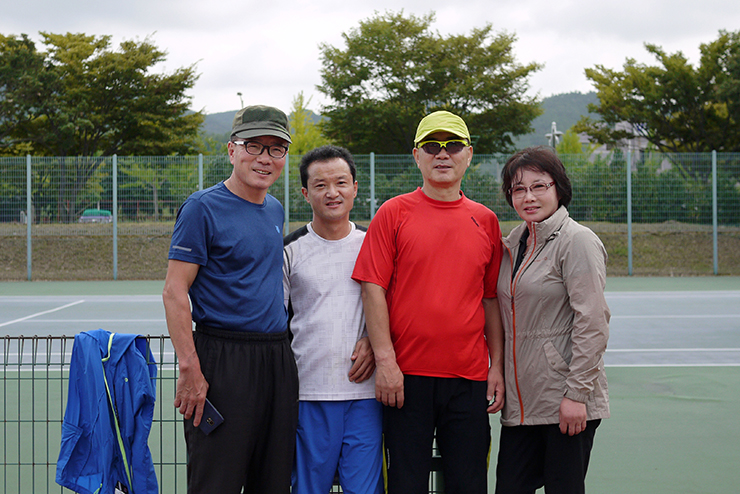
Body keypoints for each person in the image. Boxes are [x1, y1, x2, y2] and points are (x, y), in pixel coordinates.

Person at [351, 110, 505, 494]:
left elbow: (490, 300)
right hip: (405, 378)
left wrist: (497, 366)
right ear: (416, 156)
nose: (443, 154)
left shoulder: (486, 220)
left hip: (469, 380)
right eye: (432, 146)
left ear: (469, 154)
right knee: (406, 484)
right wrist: (386, 361)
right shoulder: (393, 213)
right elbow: (372, 288)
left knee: (468, 484)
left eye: (453, 145)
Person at [162, 105, 299, 494]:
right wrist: (189, 367)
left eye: (276, 149)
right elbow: (174, 291)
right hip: (223, 360)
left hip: (276, 358)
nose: (265, 158)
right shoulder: (201, 208)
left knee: (273, 481)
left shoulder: (275, 209)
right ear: (232, 150)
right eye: (254, 146)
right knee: (216, 481)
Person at [494, 146, 611, 494]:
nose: (528, 197)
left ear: (558, 188)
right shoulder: (514, 244)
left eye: (539, 186)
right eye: (518, 189)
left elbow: (593, 321)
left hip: (565, 402)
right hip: (521, 406)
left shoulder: (577, 241)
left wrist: (577, 395)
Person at [283, 145, 384, 494]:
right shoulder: (289, 250)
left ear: (355, 188)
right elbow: (276, 323)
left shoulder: (375, 244)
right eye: (320, 185)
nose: (332, 192)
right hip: (308, 394)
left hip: (366, 397)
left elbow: (396, 309)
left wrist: (374, 339)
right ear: (305, 193)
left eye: (341, 183)